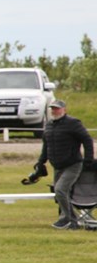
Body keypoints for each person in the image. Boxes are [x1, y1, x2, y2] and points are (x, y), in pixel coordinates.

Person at [31, 99, 93, 230]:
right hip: (57, 166)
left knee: (60, 190)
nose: (55, 111)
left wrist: (88, 159)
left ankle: (67, 219)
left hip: (73, 164)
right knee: (60, 192)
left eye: (57, 108)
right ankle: (72, 222)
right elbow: (46, 145)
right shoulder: (49, 125)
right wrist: (41, 162)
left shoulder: (73, 123)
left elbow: (87, 140)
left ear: (64, 109)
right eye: (53, 108)